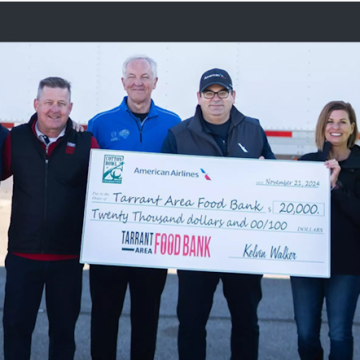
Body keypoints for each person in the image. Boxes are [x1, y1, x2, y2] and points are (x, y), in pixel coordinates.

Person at [161, 68, 276, 360]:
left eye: (222, 92)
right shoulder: (178, 135)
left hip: (242, 246)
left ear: (233, 96)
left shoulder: (254, 130)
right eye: (209, 93)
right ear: (199, 97)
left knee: (246, 322)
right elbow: (161, 188)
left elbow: (275, 179)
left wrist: (267, 175)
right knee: (191, 322)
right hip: (197, 247)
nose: (216, 99)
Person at [87, 55, 181, 360]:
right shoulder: (99, 124)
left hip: (151, 243)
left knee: (146, 318)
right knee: (104, 316)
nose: (138, 82)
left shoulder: (173, 123)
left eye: (144, 77)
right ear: (123, 82)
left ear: (156, 83)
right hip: (108, 243)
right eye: (131, 76)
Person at [1, 77, 99, 360]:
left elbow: (105, 192)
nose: (54, 110)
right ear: (36, 104)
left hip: (67, 259)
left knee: (63, 335)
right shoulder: (15, 139)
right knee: (16, 331)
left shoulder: (86, 142)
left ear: (70, 107)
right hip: (22, 256)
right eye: (48, 103)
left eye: (61, 104)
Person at [290, 101, 360, 360]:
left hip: (347, 264)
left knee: (340, 334)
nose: (336, 127)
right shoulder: (308, 164)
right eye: (330, 121)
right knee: (306, 334)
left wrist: (336, 186)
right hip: (306, 262)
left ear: (352, 128)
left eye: (343, 121)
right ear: (323, 126)